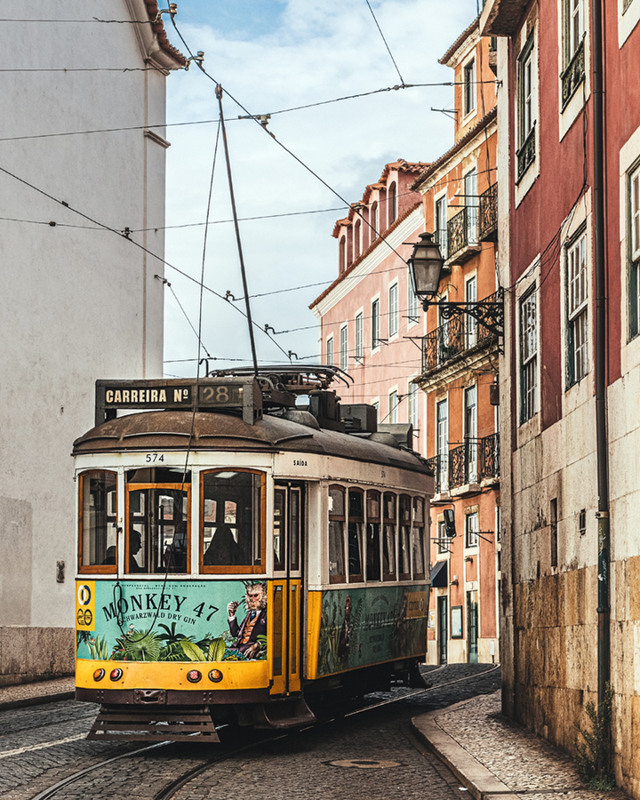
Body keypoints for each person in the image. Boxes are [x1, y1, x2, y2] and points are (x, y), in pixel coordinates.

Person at [227, 583, 267, 659]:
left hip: (247, 650)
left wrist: (258, 645)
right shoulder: (249, 614)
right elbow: (235, 633)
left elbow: (271, 636)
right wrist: (232, 615)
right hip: (238, 647)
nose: (252, 599)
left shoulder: (267, 614)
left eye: (256, 595)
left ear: (263, 595)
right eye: (250, 596)